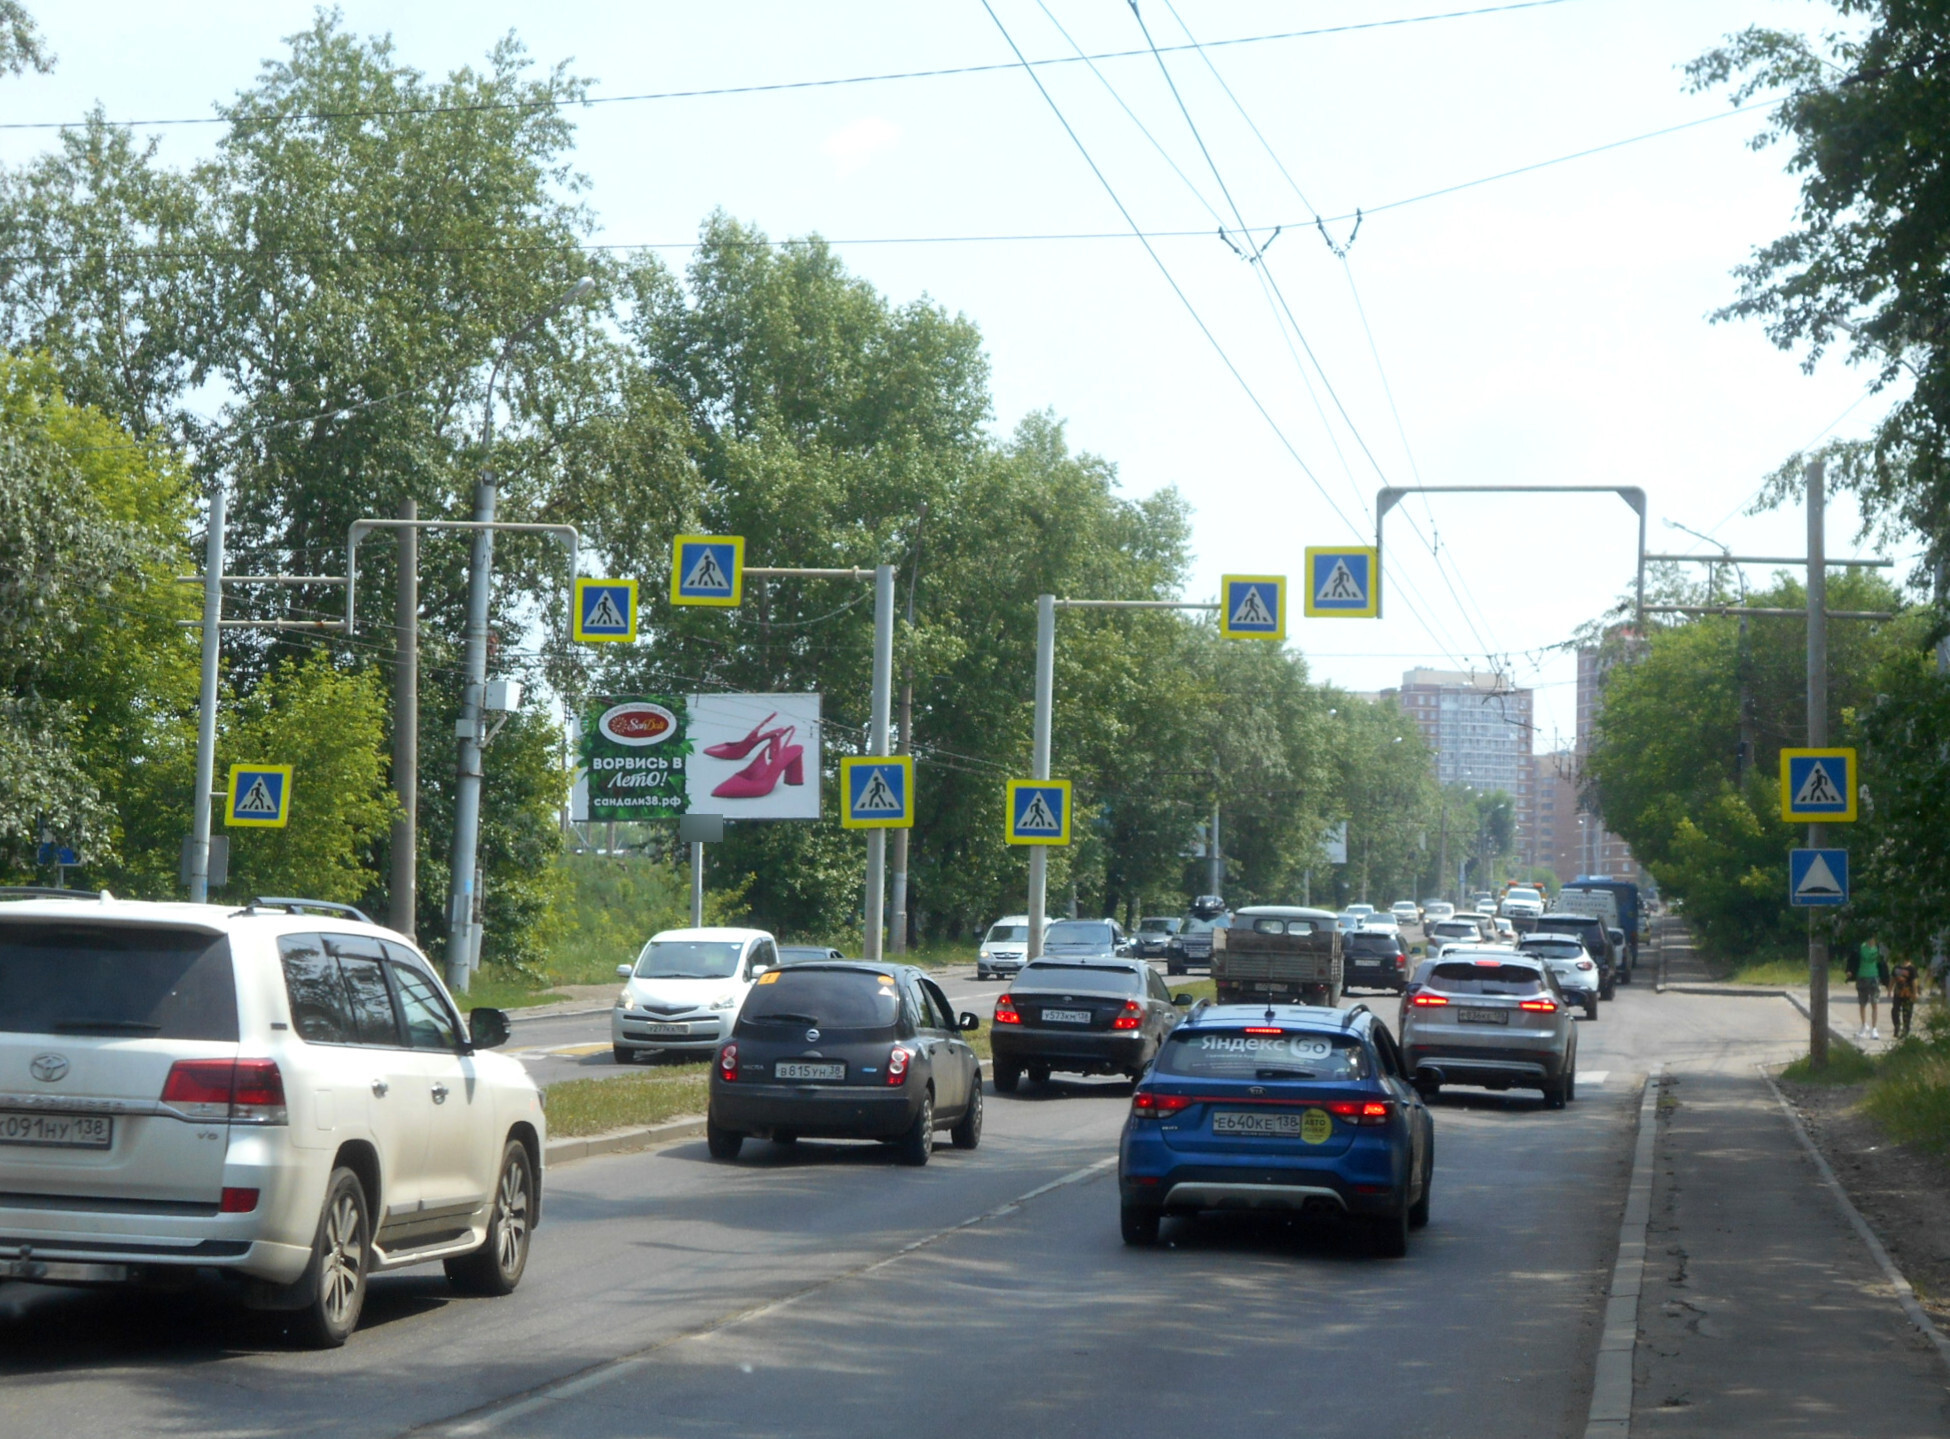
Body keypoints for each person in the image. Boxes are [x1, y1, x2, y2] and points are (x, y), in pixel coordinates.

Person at [1847, 937, 1889, 1040]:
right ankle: (1863, 1025)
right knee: (1862, 1003)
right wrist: (1849, 970)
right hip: (1861, 977)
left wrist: (1886, 981)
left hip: (1874, 978)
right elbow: (1852, 960)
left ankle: (1874, 1029)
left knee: (1874, 1003)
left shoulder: (1879, 949)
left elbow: (1883, 964)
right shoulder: (1860, 947)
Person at [1890, 953, 1921, 1040]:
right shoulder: (1896, 967)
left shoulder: (1912, 969)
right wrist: (1889, 990)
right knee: (1895, 1010)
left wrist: (1915, 993)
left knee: (1907, 1012)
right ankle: (1897, 1026)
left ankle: (1905, 1030)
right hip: (1898, 993)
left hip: (1908, 994)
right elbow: (1892, 979)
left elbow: (1914, 982)